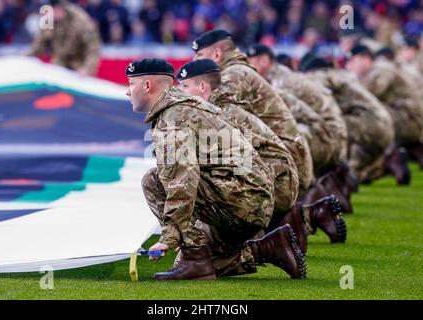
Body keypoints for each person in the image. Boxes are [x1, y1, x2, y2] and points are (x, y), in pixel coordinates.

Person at [126, 58, 306, 280]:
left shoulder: (173, 116)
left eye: (131, 84)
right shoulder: (184, 106)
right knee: (212, 263)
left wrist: (170, 236)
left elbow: (183, 180)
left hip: (242, 200)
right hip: (251, 199)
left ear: (147, 86)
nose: (127, 92)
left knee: (152, 180)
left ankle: (194, 259)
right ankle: (269, 248)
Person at [176, 59, 347, 252]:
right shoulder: (217, 107)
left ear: (202, 87)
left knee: (212, 242)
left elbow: (226, 172)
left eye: (184, 86)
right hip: (281, 176)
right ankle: (298, 220)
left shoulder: (220, 113)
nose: (179, 92)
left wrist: (195, 230)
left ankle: (268, 247)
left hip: (281, 180)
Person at [192, 30, 313, 197]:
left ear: (217, 54)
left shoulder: (234, 74)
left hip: (286, 166)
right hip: (284, 160)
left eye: (199, 55)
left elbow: (213, 116)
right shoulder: (236, 71)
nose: (194, 61)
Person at [246, 43, 348, 178]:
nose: (247, 67)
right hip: (327, 134)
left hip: (329, 138)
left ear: (264, 61)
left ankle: (303, 186)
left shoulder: (280, 81)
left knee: (278, 140)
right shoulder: (276, 77)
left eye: (250, 62)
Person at [300, 54, 395, 184]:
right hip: (382, 124)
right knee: (360, 171)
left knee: (328, 128)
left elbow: (310, 85)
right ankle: (384, 164)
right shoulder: (342, 75)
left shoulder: (324, 75)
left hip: (369, 123)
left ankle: (335, 173)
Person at [346, 44, 423, 184]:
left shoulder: (382, 68)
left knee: (364, 122)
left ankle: (383, 161)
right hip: (404, 119)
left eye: (352, 60)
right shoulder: (379, 68)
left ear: (365, 58)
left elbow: (367, 96)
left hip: (407, 120)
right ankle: (368, 168)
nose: (349, 65)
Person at [30, 0, 101, 76]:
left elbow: (93, 49)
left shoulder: (81, 20)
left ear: (60, 8)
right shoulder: (49, 18)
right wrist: (28, 57)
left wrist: (87, 68)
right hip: (60, 63)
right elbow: (40, 42)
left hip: (79, 65)